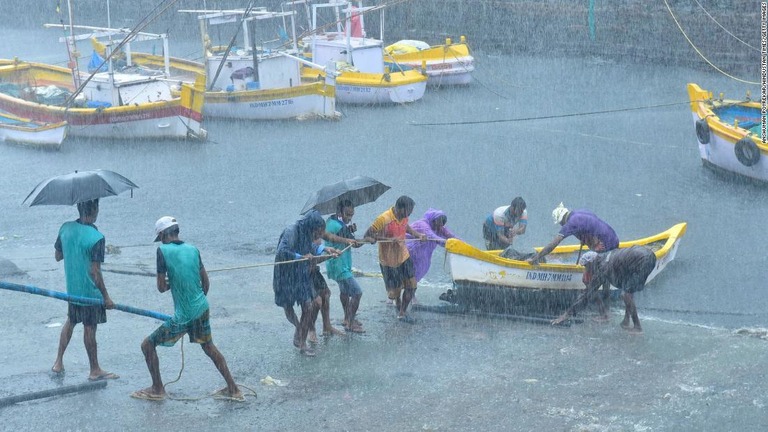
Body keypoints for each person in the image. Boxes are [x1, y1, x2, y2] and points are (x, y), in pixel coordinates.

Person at [132, 217, 242, 401]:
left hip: (185, 315)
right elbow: (205, 283)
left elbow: (160, 287)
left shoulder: (162, 251)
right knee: (209, 347)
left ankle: (158, 388)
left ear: (161, 235)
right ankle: (234, 388)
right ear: (176, 231)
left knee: (147, 345)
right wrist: (195, 302)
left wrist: (172, 285)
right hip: (201, 307)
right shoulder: (193, 249)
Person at [51, 199, 118, 381]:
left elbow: (58, 256)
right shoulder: (96, 237)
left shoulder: (65, 228)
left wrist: (73, 248)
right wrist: (106, 297)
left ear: (79, 208)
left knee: (71, 322)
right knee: (90, 328)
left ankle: (58, 362)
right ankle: (94, 369)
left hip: (72, 290)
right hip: (90, 293)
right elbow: (95, 271)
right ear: (95, 209)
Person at [273, 210, 340, 356]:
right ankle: (298, 327)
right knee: (287, 305)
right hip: (285, 274)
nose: (319, 236)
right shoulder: (291, 231)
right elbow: (281, 251)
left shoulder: (307, 233)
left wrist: (325, 248)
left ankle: (302, 344)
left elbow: (311, 247)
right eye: (318, 232)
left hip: (299, 273)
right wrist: (300, 256)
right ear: (311, 227)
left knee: (308, 306)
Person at [552, 246, 657, 334]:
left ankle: (637, 327)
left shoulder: (603, 268)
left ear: (591, 263)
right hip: (649, 255)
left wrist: (566, 314)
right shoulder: (605, 257)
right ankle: (626, 321)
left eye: (586, 267)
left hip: (643, 260)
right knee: (627, 289)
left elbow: (588, 293)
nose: (586, 270)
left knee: (626, 295)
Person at [364, 196, 426, 322]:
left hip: (403, 256)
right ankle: (398, 307)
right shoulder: (383, 219)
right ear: (400, 208)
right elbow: (368, 236)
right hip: (389, 261)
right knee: (395, 293)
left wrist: (418, 235)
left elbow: (405, 226)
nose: (409, 214)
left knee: (412, 285)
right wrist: (388, 240)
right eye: (408, 211)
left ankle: (402, 312)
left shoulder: (404, 217)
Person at [324, 200, 368, 333]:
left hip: (336, 265)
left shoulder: (331, 221)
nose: (350, 218)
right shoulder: (339, 226)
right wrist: (368, 239)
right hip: (340, 265)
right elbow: (355, 243)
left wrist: (349, 230)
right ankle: (350, 322)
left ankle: (347, 318)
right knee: (357, 292)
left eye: (352, 215)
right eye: (347, 214)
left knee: (344, 291)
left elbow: (338, 235)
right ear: (340, 212)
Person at [527, 203, 619, 264]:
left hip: (606, 245)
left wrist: (535, 258)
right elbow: (593, 225)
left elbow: (553, 244)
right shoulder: (580, 212)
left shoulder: (571, 223)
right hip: (614, 239)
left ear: (561, 221)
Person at [406, 208, 458, 282]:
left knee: (412, 284)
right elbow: (432, 236)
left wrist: (463, 246)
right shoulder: (422, 224)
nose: (440, 224)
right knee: (408, 283)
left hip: (422, 258)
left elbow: (452, 236)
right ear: (433, 219)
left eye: (443, 222)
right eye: (439, 221)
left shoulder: (440, 228)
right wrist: (448, 244)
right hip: (409, 254)